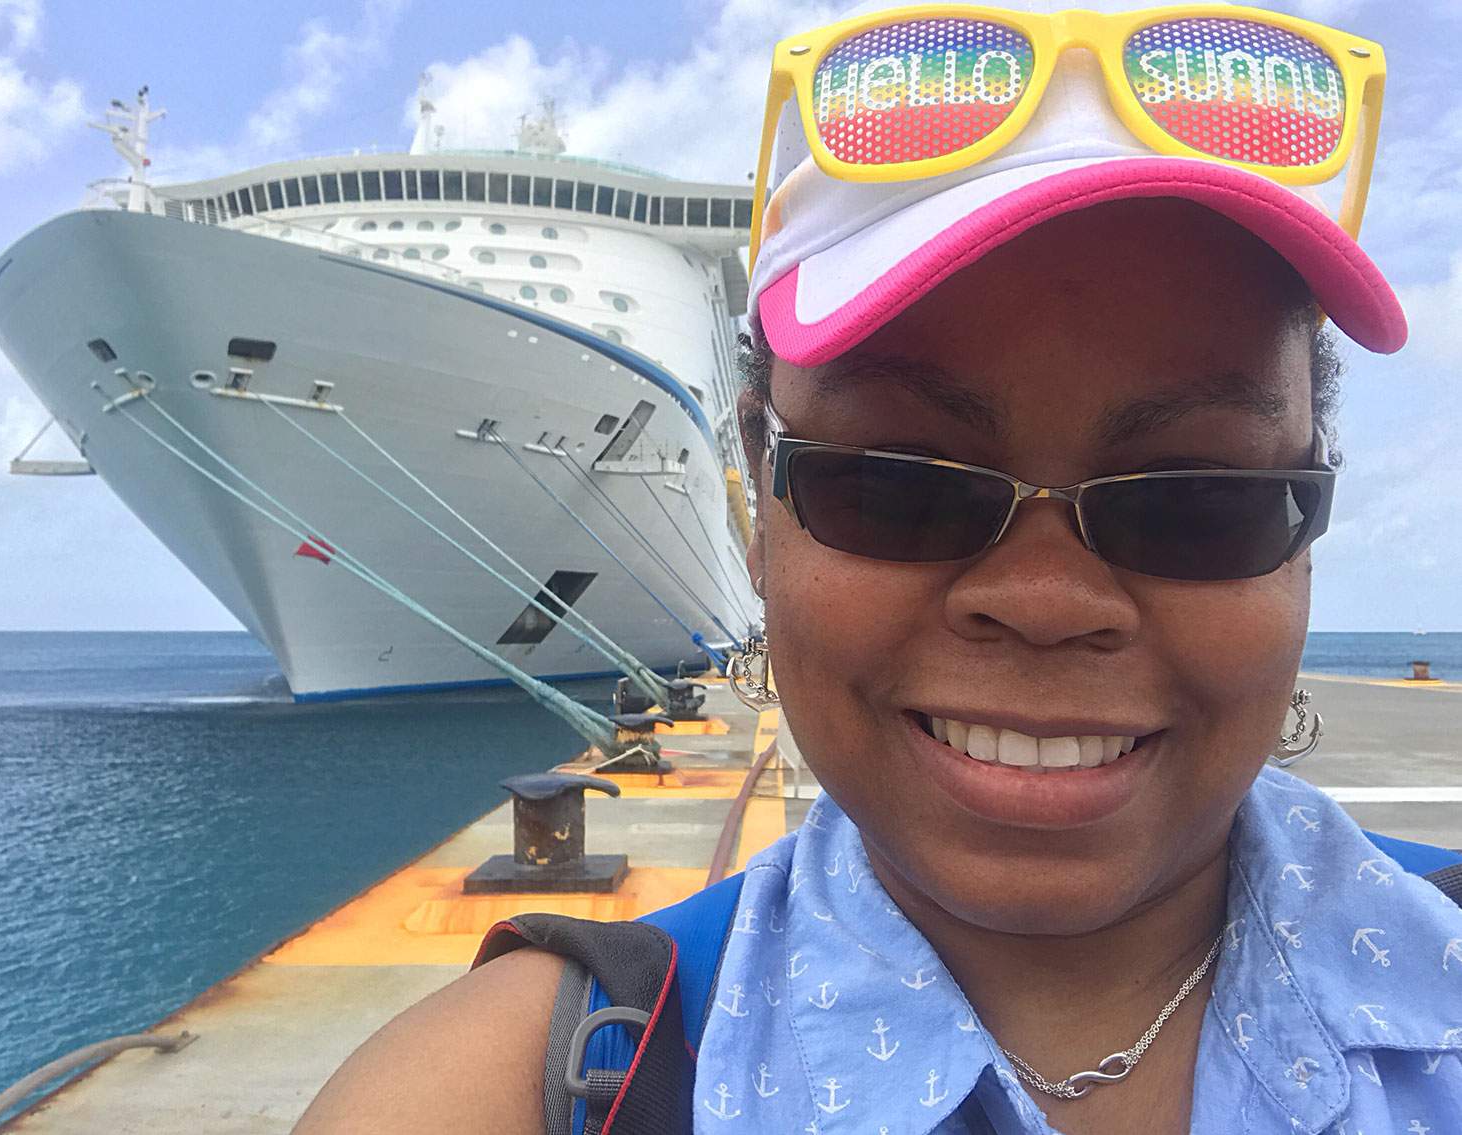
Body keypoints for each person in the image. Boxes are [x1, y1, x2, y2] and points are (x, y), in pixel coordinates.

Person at [296, 2, 1462, 1132]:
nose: (1046, 602)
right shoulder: (506, 1096)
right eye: (898, 482)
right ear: (757, 496)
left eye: (1198, 503)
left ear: (1308, 524)